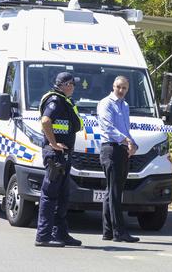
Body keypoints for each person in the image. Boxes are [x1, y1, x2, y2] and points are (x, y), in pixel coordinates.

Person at [35, 72, 84, 247]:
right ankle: (43, 236)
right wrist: (53, 143)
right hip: (55, 155)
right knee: (49, 195)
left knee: (63, 195)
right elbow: (46, 121)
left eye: (73, 84)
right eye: (71, 84)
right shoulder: (55, 101)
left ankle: (60, 234)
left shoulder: (64, 101)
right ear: (64, 84)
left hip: (63, 155)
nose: (73, 87)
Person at [96, 76, 140, 243]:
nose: (121, 91)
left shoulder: (125, 105)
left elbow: (125, 129)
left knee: (112, 192)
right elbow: (108, 127)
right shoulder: (106, 103)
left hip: (121, 149)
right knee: (114, 193)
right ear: (113, 86)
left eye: (124, 88)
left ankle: (108, 231)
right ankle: (119, 232)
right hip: (111, 149)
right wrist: (126, 141)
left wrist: (133, 144)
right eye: (118, 87)